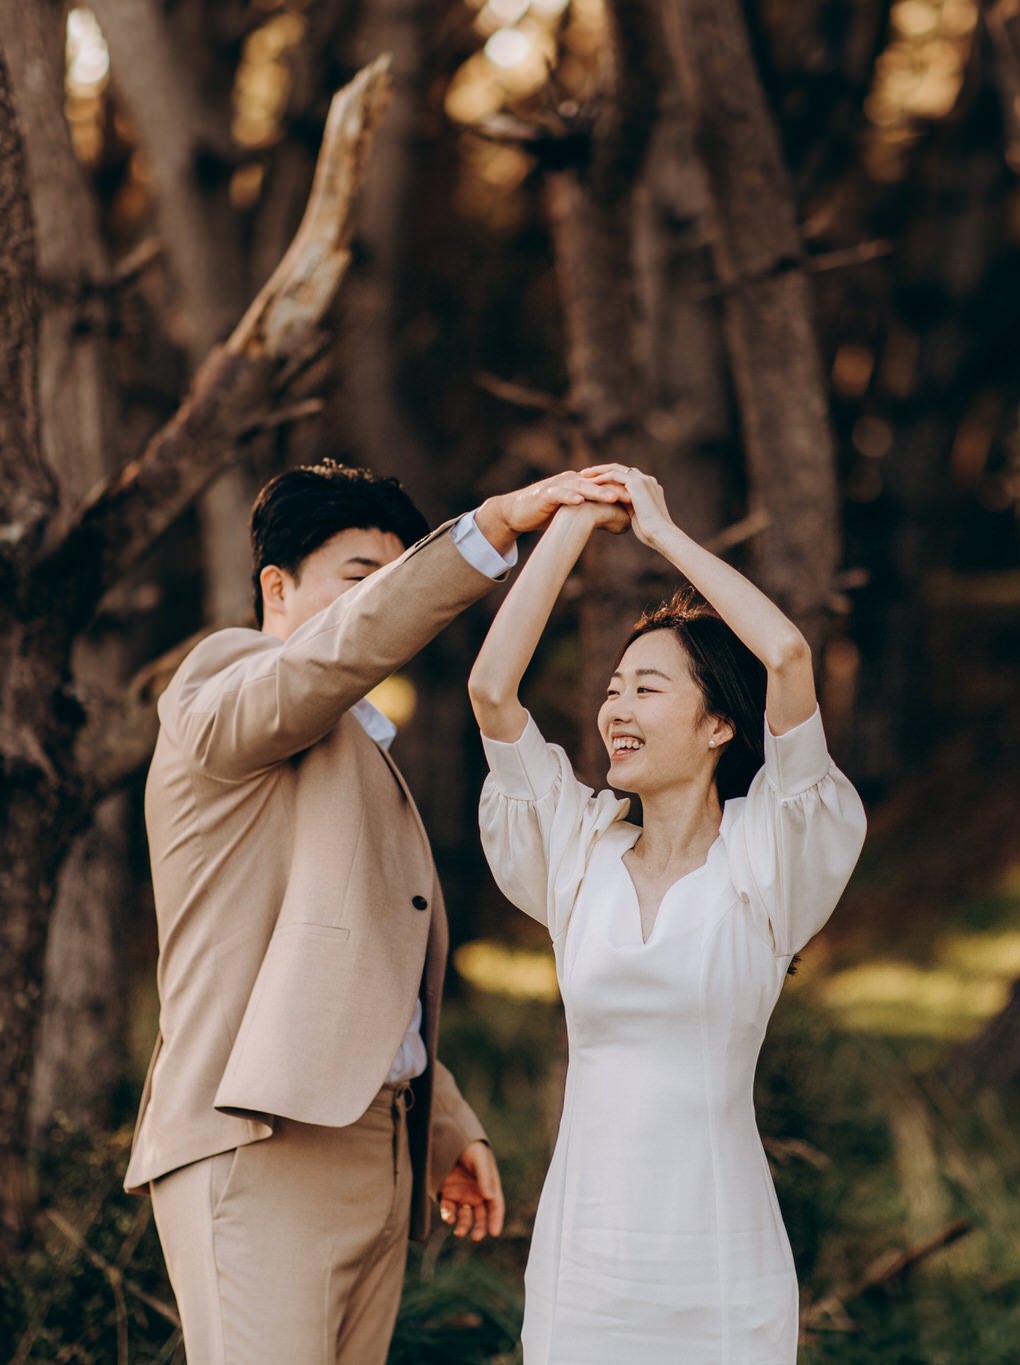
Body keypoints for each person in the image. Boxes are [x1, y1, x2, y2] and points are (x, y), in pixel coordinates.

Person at [127, 458, 627, 1365]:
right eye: (364, 582)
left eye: (397, 581)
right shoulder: (224, 683)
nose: (380, 607)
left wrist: (443, 1126)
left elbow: (360, 965)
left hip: (377, 1147)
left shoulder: (359, 747)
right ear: (275, 587)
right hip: (259, 1140)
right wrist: (499, 522)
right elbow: (336, 654)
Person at [468, 466, 867, 1364]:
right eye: (611, 689)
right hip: (585, 1267)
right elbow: (493, 691)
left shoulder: (768, 860)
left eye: (646, 688)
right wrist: (569, 522)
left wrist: (659, 530)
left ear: (720, 724)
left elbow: (789, 657)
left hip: (719, 1268)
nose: (615, 708)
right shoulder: (577, 852)